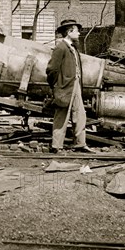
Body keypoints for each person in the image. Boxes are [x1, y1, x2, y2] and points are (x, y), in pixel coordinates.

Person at [45, 19, 95, 154]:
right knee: (62, 115)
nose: (79, 33)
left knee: (80, 114)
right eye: (77, 30)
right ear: (69, 32)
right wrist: (56, 86)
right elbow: (51, 70)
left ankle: (80, 143)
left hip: (75, 85)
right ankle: (56, 146)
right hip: (64, 87)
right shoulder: (60, 48)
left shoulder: (72, 48)